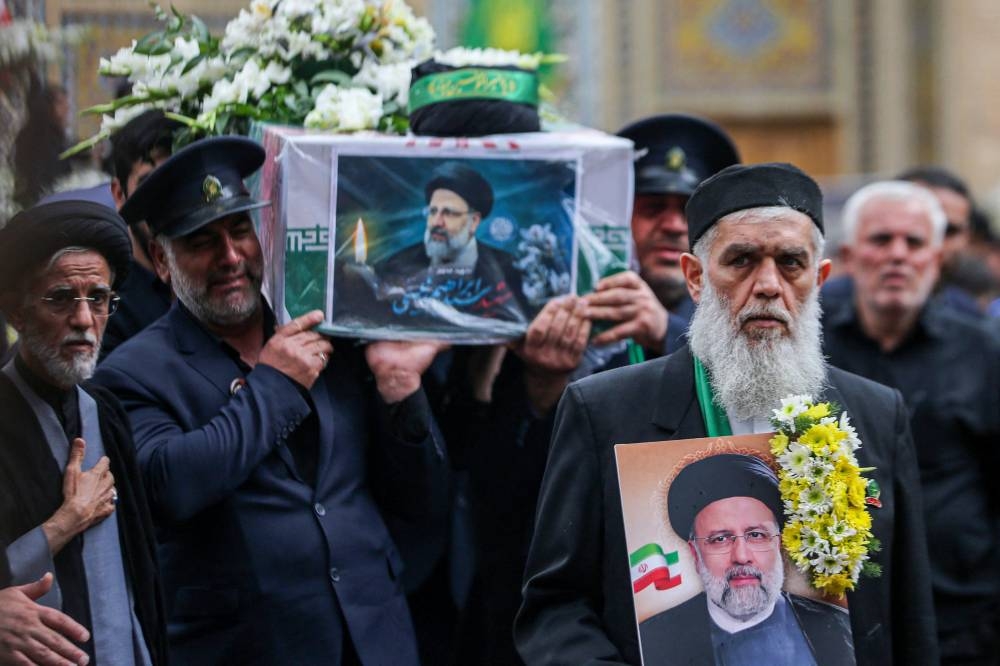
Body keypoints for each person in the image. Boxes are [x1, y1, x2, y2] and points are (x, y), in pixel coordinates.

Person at [514, 163, 937, 665]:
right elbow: (554, 608)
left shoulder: (874, 412)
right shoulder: (604, 410)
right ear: (695, 277)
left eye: (790, 264)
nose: (767, 285)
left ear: (819, 279)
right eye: (740, 260)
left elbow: (909, 612)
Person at [93, 136, 447, 665]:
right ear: (163, 263)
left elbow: (420, 499)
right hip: (247, 649)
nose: (230, 257)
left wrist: (401, 394)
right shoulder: (132, 372)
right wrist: (275, 384)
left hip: (377, 640)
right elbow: (172, 485)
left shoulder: (331, 332)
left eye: (240, 231)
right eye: (202, 241)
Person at [824, 180, 1000, 664]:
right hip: (844, 621)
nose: (897, 255)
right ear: (849, 255)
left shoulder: (985, 353)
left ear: (939, 258)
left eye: (914, 242)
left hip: (964, 625)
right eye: (881, 240)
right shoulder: (809, 353)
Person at [0, 201, 167, 665]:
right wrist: (64, 523)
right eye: (60, 299)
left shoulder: (106, 414)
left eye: (98, 299)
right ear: (16, 311)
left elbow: (141, 581)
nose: (83, 320)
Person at [640, 454, 853, 665]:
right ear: (695, 554)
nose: (741, 557)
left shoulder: (840, 626)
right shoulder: (651, 640)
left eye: (756, 535)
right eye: (720, 539)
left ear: (778, 545)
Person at [584, 114, 740, 357]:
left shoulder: (740, 314)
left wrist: (667, 333)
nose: (673, 226)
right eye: (653, 209)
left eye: (689, 211)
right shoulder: (585, 312)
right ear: (618, 217)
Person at [369, 161, 526, 323]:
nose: (436, 222)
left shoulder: (507, 269)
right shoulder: (397, 265)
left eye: (449, 213)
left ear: (474, 222)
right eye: (432, 212)